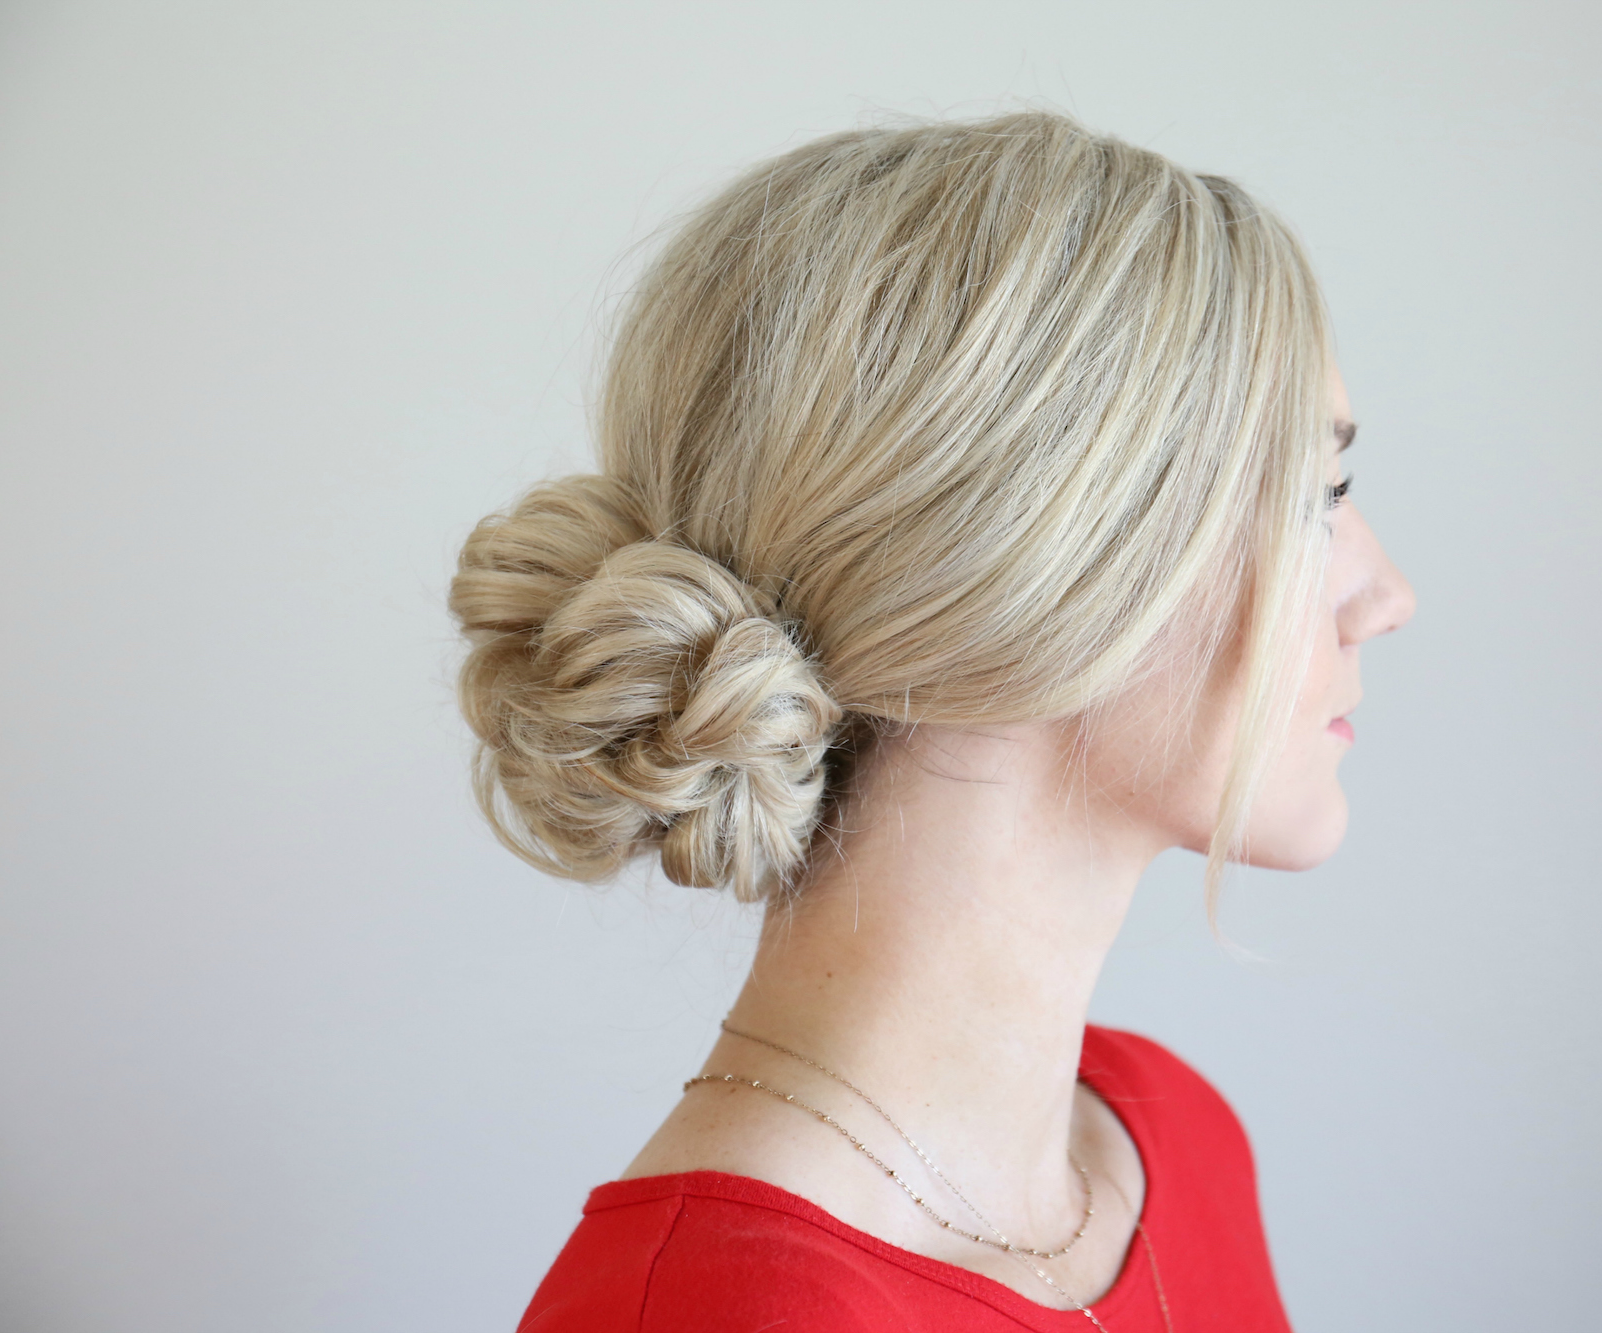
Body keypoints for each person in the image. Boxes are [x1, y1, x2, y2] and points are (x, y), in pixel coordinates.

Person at [450, 109, 1415, 1333]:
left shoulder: (1172, 1138)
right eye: (1312, 494)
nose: (1385, 596)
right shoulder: (718, 1310)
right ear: (1050, 560)